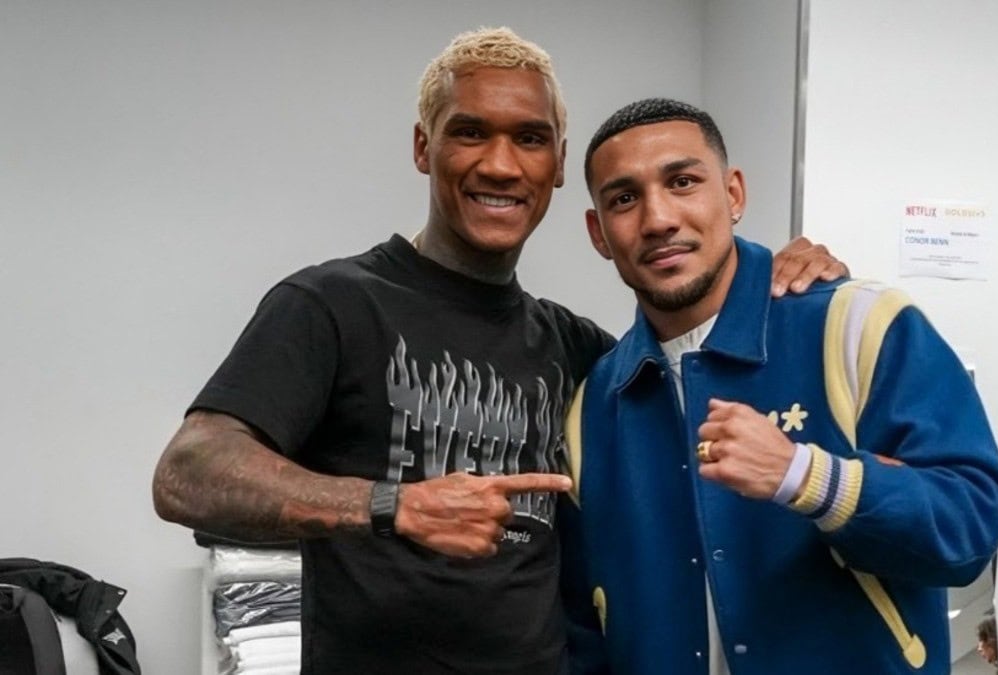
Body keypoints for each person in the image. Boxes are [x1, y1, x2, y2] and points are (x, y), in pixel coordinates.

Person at [151, 29, 847, 675]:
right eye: (470, 133)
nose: (501, 164)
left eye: (530, 138)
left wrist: (768, 279)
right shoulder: (334, 303)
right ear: (424, 148)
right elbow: (188, 472)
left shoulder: (577, 348)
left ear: (558, 165)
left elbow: (695, 380)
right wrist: (393, 504)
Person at [561, 98, 998, 674]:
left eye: (682, 181)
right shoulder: (594, 407)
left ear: (733, 195)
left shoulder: (857, 326)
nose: (657, 218)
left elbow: (974, 526)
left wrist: (811, 478)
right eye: (624, 199)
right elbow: (585, 627)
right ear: (598, 232)